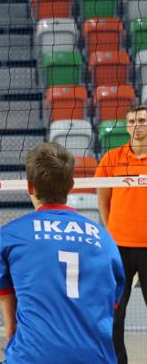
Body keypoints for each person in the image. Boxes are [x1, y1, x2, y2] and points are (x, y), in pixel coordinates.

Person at [0, 142, 124, 363]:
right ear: (71, 185)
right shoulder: (105, 238)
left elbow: (10, 324)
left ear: (30, 187)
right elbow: (109, 307)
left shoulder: (10, 234)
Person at [95, 104, 147, 363]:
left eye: (142, 120)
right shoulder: (112, 158)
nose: (137, 126)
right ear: (127, 127)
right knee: (115, 313)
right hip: (119, 248)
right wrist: (112, 231)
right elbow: (103, 198)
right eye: (132, 121)